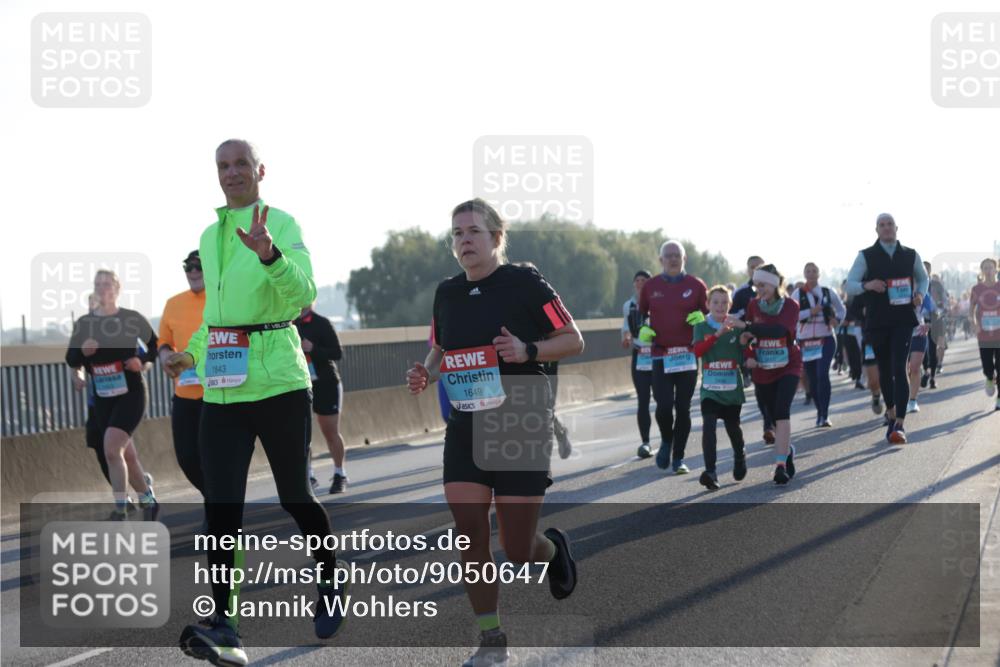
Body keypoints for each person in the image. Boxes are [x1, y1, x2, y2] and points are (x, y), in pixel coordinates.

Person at [166, 139, 346, 667]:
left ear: (260, 170)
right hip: (223, 388)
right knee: (221, 509)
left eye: (240, 163)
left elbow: (303, 296)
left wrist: (270, 254)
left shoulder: (283, 224)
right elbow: (217, 319)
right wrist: (188, 355)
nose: (231, 173)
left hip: (281, 383)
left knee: (295, 496)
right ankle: (226, 626)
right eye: (222, 166)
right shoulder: (209, 233)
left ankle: (329, 578)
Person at [406, 199, 583, 667]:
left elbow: (574, 339)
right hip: (466, 424)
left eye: (473, 231)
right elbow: (441, 347)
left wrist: (528, 349)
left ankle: (552, 548)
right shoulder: (447, 293)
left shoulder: (524, 282)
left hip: (520, 420)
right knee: (469, 532)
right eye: (457, 233)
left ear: (496, 238)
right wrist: (427, 373)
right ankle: (490, 632)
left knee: (518, 549)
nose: (464, 240)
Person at [66, 270, 158, 517]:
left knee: (111, 449)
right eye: (98, 284)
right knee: (125, 454)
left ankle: (121, 508)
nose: (102, 288)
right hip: (104, 397)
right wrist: (82, 352)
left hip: (132, 393)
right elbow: (71, 358)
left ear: (117, 289)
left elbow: (154, 346)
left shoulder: (131, 318)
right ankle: (147, 498)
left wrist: (140, 360)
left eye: (107, 284)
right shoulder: (84, 324)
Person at [845, 213, 929, 444]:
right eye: (882, 225)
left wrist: (920, 294)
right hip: (878, 321)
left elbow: (923, 278)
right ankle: (891, 413)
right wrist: (867, 284)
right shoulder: (866, 256)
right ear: (877, 230)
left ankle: (900, 424)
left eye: (890, 224)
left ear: (896, 228)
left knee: (899, 368)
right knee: (884, 370)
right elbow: (850, 285)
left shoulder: (911, 254)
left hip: (903, 318)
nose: (886, 228)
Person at [726, 264, 801, 484]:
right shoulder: (752, 305)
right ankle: (786, 450)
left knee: (781, 411)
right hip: (763, 369)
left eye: (763, 285)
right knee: (770, 415)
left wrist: (746, 325)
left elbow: (779, 330)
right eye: (756, 285)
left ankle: (779, 466)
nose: (759, 289)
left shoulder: (790, 305)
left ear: (776, 283)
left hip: (788, 364)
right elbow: (748, 336)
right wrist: (747, 352)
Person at [638, 240, 709, 474]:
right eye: (668, 255)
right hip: (660, 355)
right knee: (664, 406)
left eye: (676, 255)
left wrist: (700, 319)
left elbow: (709, 317)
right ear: (660, 260)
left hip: (687, 355)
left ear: (684, 259)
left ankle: (678, 457)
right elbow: (640, 316)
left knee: (684, 408)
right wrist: (643, 329)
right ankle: (666, 441)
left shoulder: (696, 285)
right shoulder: (650, 286)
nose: (672, 259)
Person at [158, 250, 207, 496]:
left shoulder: (225, 300)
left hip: (220, 395)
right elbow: (164, 341)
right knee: (187, 458)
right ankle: (216, 500)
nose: (193, 272)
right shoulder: (173, 304)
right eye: (188, 267)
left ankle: (220, 515)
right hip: (185, 395)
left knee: (216, 458)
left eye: (198, 266)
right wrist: (165, 355)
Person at [692, 285, 747, 490]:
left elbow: (743, 355)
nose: (720, 306)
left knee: (733, 428)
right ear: (707, 304)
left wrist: (744, 343)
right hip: (710, 388)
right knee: (709, 426)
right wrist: (717, 334)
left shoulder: (736, 324)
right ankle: (711, 471)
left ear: (730, 305)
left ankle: (740, 456)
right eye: (715, 302)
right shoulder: (701, 326)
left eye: (724, 303)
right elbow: (697, 351)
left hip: (731, 387)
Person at [295, 304, 349, 493]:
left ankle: (340, 474)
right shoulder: (288, 323)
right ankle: (308, 475)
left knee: (330, 432)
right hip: (299, 384)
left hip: (326, 383)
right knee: (301, 434)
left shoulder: (322, 323)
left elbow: (337, 353)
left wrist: (313, 348)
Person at [790, 263, 846, 427]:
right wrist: (810, 312)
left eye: (814, 271)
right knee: (812, 378)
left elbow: (842, 310)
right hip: (806, 341)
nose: (811, 273)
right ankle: (819, 411)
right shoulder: (797, 293)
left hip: (826, 338)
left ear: (819, 274)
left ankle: (825, 415)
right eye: (808, 271)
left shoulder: (828, 292)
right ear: (804, 273)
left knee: (823, 374)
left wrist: (838, 320)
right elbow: (792, 315)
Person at [730, 255, 776, 444]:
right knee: (761, 389)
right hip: (754, 346)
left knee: (775, 387)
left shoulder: (775, 291)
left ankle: (773, 423)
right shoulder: (742, 293)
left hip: (775, 347)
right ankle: (768, 424)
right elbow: (734, 317)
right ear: (748, 270)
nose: (755, 269)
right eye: (752, 267)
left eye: (758, 266)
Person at [621, 270, 654, 457]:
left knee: (662, 398)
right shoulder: (629, 305)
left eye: (644, 280)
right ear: (634, 284)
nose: (640, 283)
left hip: (657, 355)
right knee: (643, 400)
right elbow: (626, 327)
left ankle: (669, 436)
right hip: (640, 356)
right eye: (637, 280)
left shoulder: (657, 302)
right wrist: (626, 338)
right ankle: (645, 442)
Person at [970, 257, 1000, 410]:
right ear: (982, 271)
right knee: (987, 365)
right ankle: (989, 377)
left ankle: (999, 398)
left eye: (991, 267)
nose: (988, 271)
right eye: (985, 268)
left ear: (996, 269)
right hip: (984, 335)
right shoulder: (976, 289)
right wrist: (975, 324)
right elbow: (971, 310)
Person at [906, 292, 935, 414]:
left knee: (915, 368)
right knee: (901, 370)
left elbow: (935, 313)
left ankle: (912, 401)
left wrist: (928, 324)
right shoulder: (896, 287)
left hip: (919, 333)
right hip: (899, 335)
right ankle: (902, 398)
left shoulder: (922, 292)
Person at [924, 262, 949, 388]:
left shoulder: (936, 285)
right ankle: (926, 372)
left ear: (929, 270)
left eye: (926, 268)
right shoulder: (915, 284)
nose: (924, 271)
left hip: (936, 320)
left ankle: (932, 377)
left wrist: (940, 310)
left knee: (932, 349)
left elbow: (945, 301)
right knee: (923, 351)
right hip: (920, 322)